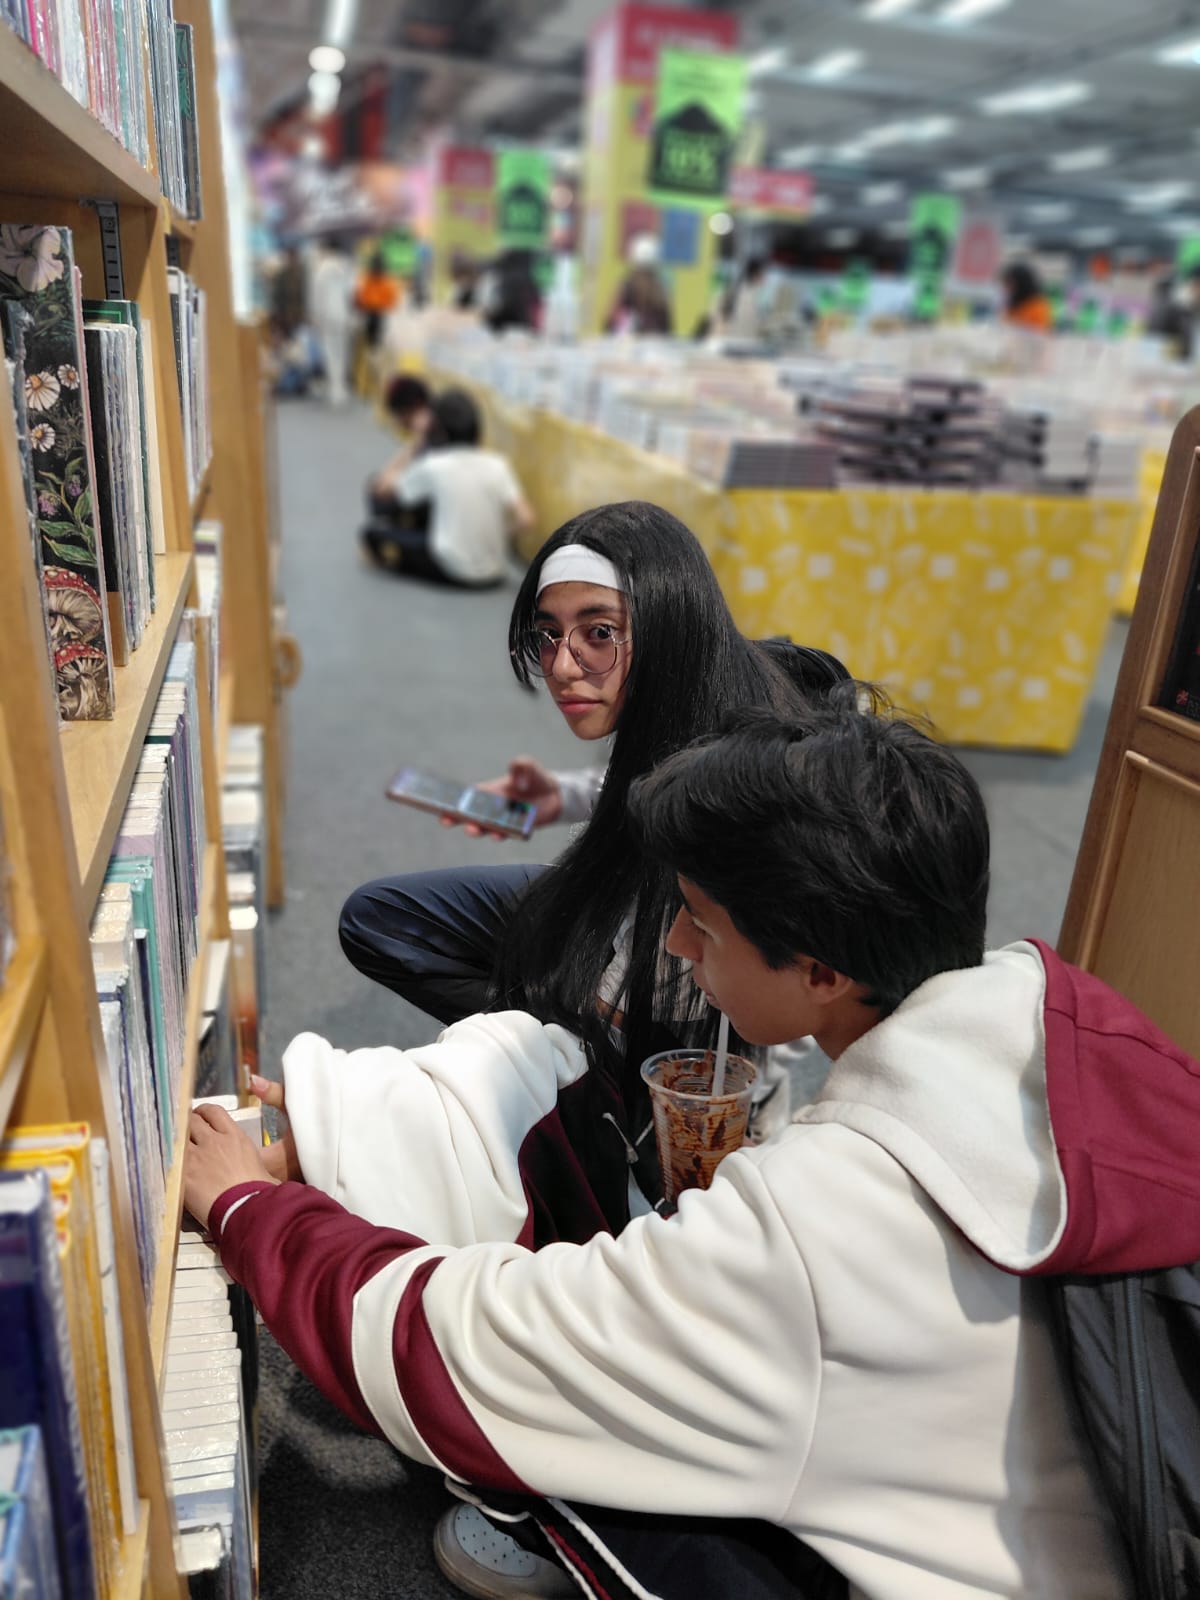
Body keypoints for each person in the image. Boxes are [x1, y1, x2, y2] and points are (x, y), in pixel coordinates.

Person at [183, 685, 1195, 1599]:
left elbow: (468, 1350)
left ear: (820, 971)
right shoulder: (1067, 1013)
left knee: (593, 1442)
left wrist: (249, 1208)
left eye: (701, 924)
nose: (673, 942)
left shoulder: (812, 1231)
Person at [341, 502, 847, 1213]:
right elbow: (644, 777)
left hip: (693, 1005)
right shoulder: (691, 685)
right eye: (548, 634)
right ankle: (570, 1062)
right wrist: (561, 797)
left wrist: (749, 1088)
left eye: (599, 633)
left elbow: (801, 966)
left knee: (647, 1193)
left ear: (666, 620)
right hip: (630, 917)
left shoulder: (747, 770)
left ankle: (577, 1077)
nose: (561, 666)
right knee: (381, 919)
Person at [361, 387, 533, 588]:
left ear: (437, 430)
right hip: (494, 571)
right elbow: (526, 519)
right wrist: (500, 535)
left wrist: (417, 442)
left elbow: (380, 490)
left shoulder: (435, 465)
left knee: (373, 532)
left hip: (451, 569)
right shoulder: (498, 464)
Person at [366, 373, 434, 513]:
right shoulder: (430, 420)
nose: (394, 422)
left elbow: (414, 473)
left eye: (394, 415)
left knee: (378, 498)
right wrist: (385, 477)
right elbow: (408, 454)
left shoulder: (425, 427)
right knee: (377, 483)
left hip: (432, 496)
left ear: (405, 411)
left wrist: (384, 482)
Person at [308, 238, 356, 407]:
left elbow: (316, 296)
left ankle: (335, 389)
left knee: (330, 353)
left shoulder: (320, 270)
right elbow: (352, 294)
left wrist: (315, 316)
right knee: (344, 352)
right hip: (344, 316)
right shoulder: (347, 268)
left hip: (327, 316)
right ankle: (342, 387)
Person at [606, 235, 673, 336]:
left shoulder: (627, 286)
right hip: (651, 341)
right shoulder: (659, 289)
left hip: (630, 341)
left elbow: (611, 319)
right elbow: (667, 326)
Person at [1000, 259, 1054, 332]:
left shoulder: (1038, 304)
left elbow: (1041, 332)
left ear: (1021, 283)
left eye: (1009, 284)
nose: (1006, 288)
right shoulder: (1012, 303)